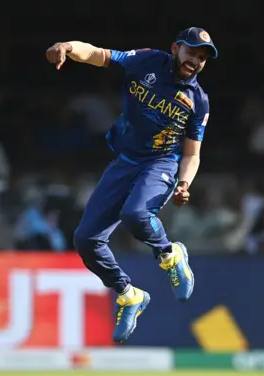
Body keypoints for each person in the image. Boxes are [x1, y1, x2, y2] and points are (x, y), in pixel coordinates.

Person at [45, 27, 217, 343]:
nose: (196, 60)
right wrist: (67, 46)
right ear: (176, 47)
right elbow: (99, 55)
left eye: (203, 57)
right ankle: (128, 295)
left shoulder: (198, 101)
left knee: (135, 215)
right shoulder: (147, 61)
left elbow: (192, 153)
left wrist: (184, 183)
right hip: (126, 161)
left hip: (161, 163)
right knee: (85, 240)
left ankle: (170, 254)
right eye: (192, 52)